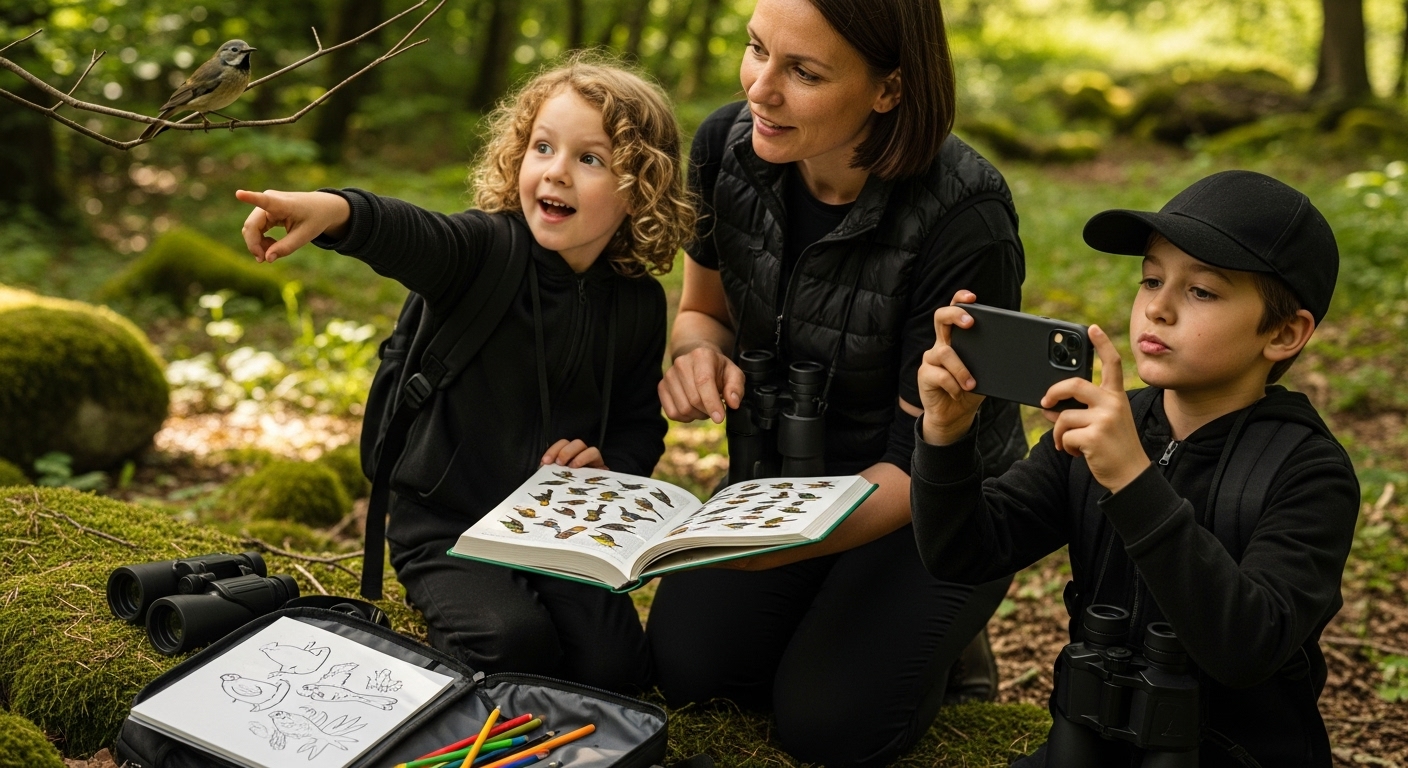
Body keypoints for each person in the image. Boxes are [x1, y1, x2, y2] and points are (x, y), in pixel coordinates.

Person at [233, 56, 695, 692]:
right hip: (449, 528)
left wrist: (606, 466)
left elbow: (642, 425)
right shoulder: (484, 252)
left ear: (639, 187)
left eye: (590, 159)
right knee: (513, 643)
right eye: (543, 146)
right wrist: (334, 210)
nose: (556, 170)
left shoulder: (638, 303)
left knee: (617, 671)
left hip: (555, 533)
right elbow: (414, 235)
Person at [647, 0, 1029, 763]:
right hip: (782, 480)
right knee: (689, 672)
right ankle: (840, 608)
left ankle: (948, 639)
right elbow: (701, 311)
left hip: (933, 504)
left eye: (804, 72)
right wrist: (695, 353)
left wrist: (773, 552)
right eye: (756, 50)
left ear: (889, 89)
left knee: (829, 725)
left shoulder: (965, 216)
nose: (760, 88)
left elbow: (918, 460)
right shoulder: (726, 144)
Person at [912, 170, 1359, 767]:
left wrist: (1132, 480)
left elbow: (1247, 646)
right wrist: (945, 435)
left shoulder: (1308, 473)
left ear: (1283, 333)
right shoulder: (1110, 427)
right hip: (1088, 742)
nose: (1159, 308)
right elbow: (963, 552)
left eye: (1202, 291)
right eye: (1151, 279)